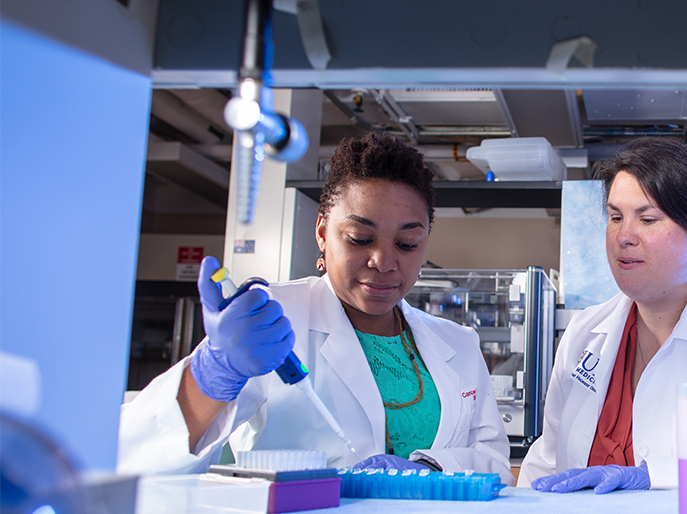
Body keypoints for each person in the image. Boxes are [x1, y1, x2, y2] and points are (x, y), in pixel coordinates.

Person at [119, 132, 512, 484]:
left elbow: (494, 460)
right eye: (360, 238)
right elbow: (139, 463)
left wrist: (431, 470)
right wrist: (214, 372)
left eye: (407, 244)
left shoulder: (457, 343)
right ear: (323, 233)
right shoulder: (274, 320)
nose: (383, 261)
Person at [518, 136, 687, 494]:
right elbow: (544, 467)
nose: (624, 236)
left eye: (648, 219)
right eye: (615, 217)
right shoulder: (584, 332)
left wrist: (655, 477)